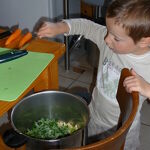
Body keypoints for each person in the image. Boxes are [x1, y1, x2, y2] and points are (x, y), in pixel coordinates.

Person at [37, 0, 150, 149]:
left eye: (115, 38)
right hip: (95, 115)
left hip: (124, 132)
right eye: (108, 31)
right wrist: (60, 26)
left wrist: (147, 88)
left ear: (144, 41)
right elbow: (87, 26)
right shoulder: (110, 40)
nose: (106, 39)